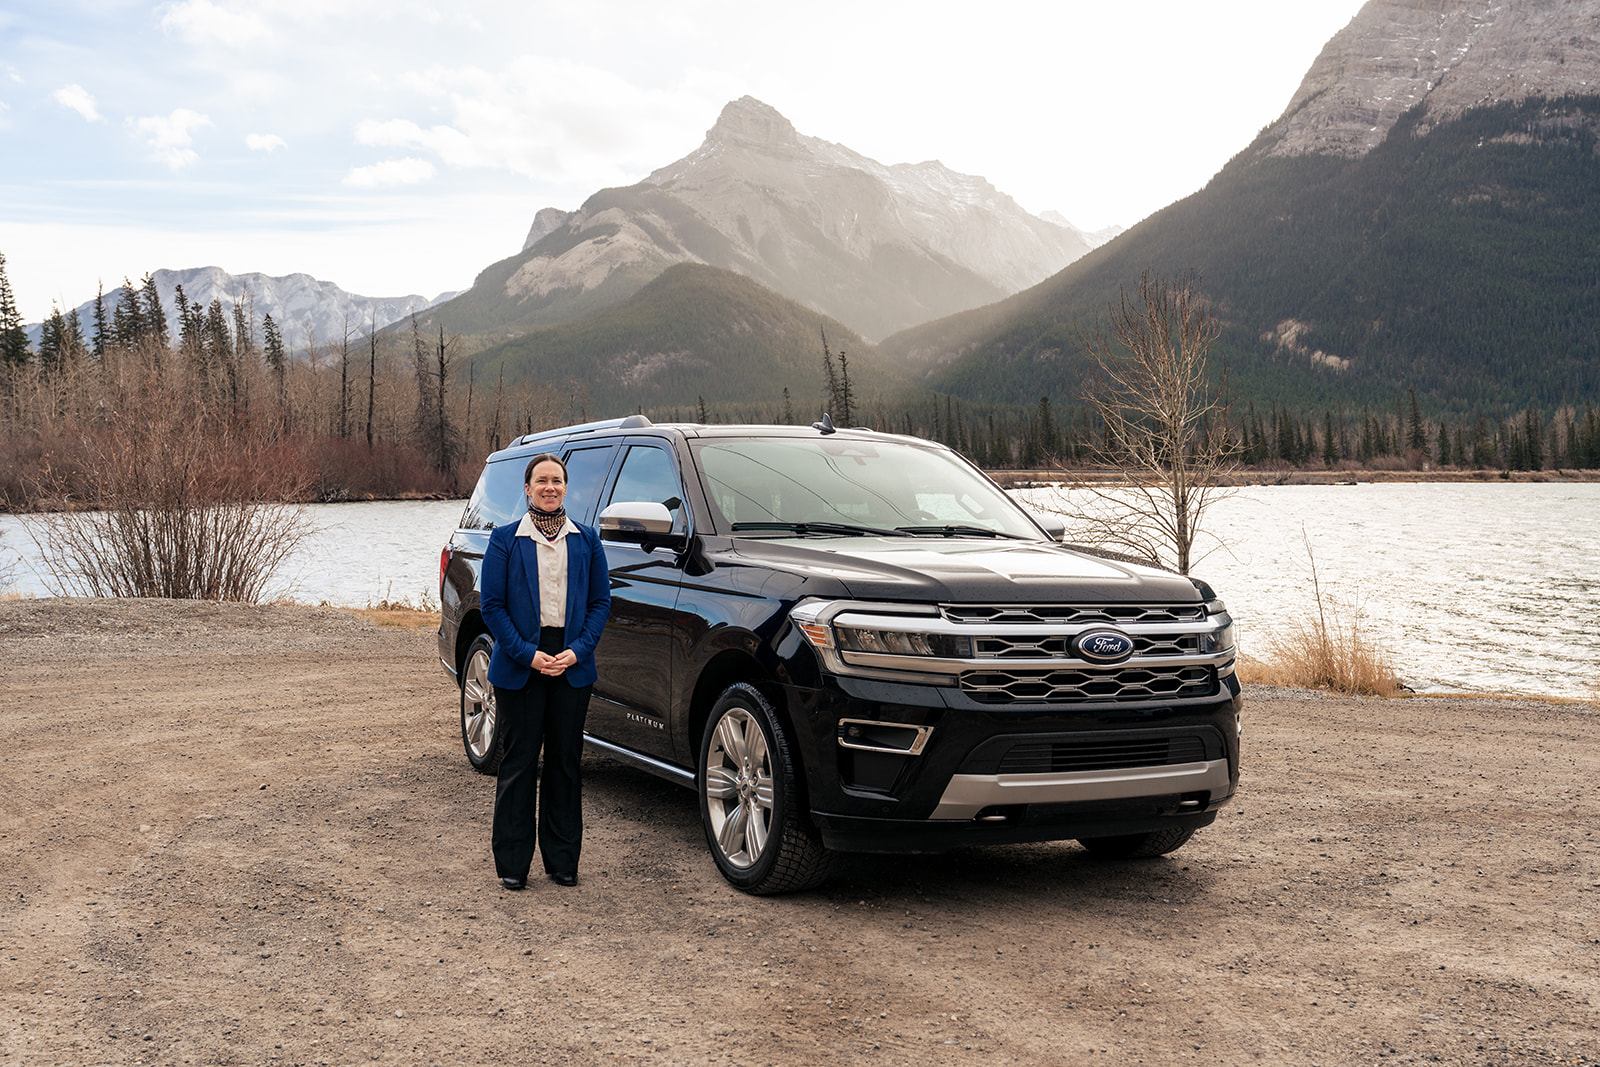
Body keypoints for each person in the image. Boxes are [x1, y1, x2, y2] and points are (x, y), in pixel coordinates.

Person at [478, 452, 611, 890]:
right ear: (527, 488)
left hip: (572, 663)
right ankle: (513, 865)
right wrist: (527, 654)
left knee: (565, 763)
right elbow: (493, 607)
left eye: (557, 480)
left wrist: (576, 650)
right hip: (522, 662)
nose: (549, 487)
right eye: (542, 481)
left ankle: (563, 861)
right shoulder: (504, 539)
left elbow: (599, 603)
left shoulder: (587, 540)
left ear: (566, 487)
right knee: (518, 762)